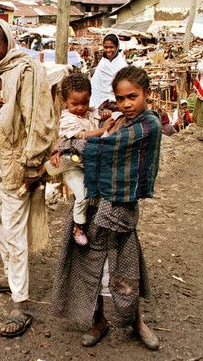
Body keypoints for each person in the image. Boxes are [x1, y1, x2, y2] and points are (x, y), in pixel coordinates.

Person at [52, 66, 162, 350]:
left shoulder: (147, 125)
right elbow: (97, 142)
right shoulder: (119, 121)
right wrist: (74, 146)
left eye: (132, 96)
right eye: (121, 98)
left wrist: (66, 146)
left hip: (121, 207)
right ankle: (97, 320)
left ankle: (136, 321)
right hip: (92, 201)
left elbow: (104, 148)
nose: (126, 103)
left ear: (146, 94)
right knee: (90, 264)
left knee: (126, 265)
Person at [0, 18, 55, 338]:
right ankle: (10, 279)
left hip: (17, 167)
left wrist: (33, 166)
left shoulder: (26, 71)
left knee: (15, 232)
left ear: (8, 43)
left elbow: (40, 120)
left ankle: (21, 304)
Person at [46, 73, 108, 246]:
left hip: (90, 165)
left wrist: (105, 114)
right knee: (82, 196)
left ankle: (93, 224)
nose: (81, 108)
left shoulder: (89, 112)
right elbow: (84, 136)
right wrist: (103, 130)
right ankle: (78, 227)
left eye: (85, 102)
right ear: (66, 101)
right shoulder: (67, 119)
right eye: (75, 104)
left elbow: (99, 114)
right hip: (72, 166)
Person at [90, 34, 128, 110]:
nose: (108, 50)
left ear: (117, 47)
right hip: (98, 101)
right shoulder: (103, 62)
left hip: (114, 103)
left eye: (111, 47)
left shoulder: (122, 65)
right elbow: (96, 82)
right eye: (106, 47)